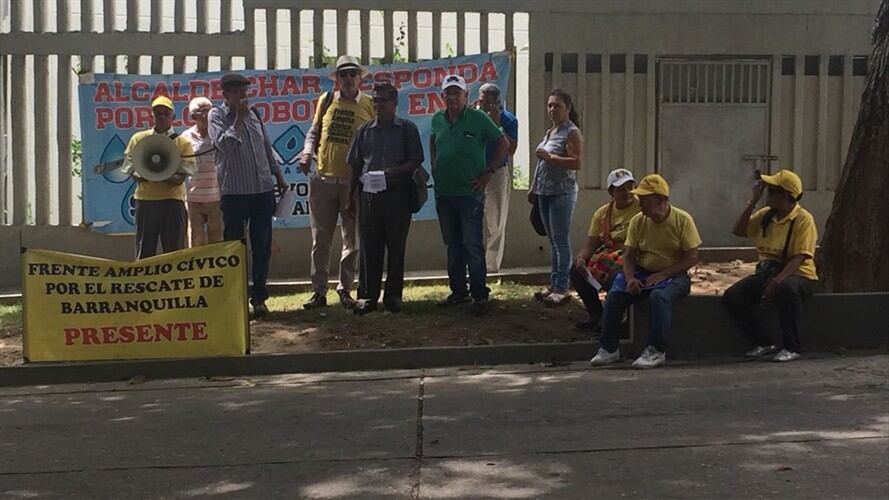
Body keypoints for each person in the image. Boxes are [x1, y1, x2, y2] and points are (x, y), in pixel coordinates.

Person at [589, 174, 701, 369]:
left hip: (674, 274)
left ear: (661, 201)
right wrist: (630, 278)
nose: (640, 204)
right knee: (615, 296)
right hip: (643, 271)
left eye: (645, 200)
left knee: (659, 297)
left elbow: (691, 257)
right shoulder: (638, 221)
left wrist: (664, 274)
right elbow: (630, 256)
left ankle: (656, 350)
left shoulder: (682, 220)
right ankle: (609, 348)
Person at [208, 73, 289, 317]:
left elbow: (265, 147)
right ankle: (234, 297)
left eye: (246, 91)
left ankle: (259, 298)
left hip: (262, 189)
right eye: (238, 92)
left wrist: (279, 176)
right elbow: (225, 145)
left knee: (262, 245)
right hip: (235, 191)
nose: (244, 96)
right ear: (226, 94)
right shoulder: (217, 116)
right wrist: (238, 121)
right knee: (234, 245)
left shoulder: (255, 115)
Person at [298, 55, 375, 310]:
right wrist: (307, 151)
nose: (349, 78)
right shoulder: (326, 100)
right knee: (320, 239)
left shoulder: (369, 104)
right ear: (338, 79)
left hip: (353, 183)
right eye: (344, 74)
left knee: (351, 240)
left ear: (360, 77)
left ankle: (345, 289)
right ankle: (318, 291)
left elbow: (375, 140)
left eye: (353, 73)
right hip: (323, 179)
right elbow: (314, 131)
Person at [430, 74, 509, 314]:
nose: (452, 97)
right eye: (448, 93)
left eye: (457, 93)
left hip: (470, 193)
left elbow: (503, 143)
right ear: (442, 96)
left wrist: (489, 172)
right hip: (445, 192)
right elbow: (434, 142)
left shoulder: (478, 118)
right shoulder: (437, 119)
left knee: (472, 244)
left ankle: (479, 294)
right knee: (453, 244)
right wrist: (435, 166)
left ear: (466, 96)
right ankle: (458, 292)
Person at [723, 170, 818, 362]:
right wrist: (752, 201)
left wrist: (776, 282)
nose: (768, 195)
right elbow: (739, 230)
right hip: (768, 272)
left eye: (772, 191)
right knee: (733, 296)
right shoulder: (767, 215)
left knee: (787, 290)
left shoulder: (802, 219)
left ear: (785, 195)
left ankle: (792, 346)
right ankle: (764, 342)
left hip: (798, 274)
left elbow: (799, 257)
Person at [346, 84, 425, 315]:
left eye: (383, 101)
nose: (379, 106)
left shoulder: (406, 129)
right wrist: (351, 197)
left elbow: (415, 160)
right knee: (370, 247)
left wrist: (393, 172)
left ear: (394, 103)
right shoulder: (364, 131)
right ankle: (368, 296)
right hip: (369, 197)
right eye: (376, 101)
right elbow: (355, 165)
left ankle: (393, 297)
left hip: (397, 195)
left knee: (396, 247)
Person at [122, 95, 194, 260]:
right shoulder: (138, 139)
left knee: (174, 250)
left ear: (173, 117)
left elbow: (180, 178)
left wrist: (153, 174)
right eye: (157, 113)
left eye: (165, 113)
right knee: (145, 250)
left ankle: (176, 283)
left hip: (172, 201)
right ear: (151, 116)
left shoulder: (182, 143)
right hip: (145, 201)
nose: (161, 116)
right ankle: (144, 283)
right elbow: (130, 169)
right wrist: (161, 174)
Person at [529, 89, 583, 306]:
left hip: (562, 191)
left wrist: (550, 156)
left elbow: (576, 162)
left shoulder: (571, 132)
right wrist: (534, 186)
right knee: (552, 240)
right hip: (544, 191)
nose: (552, 109)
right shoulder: (552, 131)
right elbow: (542, 163)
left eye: (557, 105)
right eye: (550, 105)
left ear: (567, 108)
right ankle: (554, 283)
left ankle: (562, 286)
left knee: (561, 240)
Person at [570, 168, 640, 331]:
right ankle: (597, 315)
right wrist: (581, 258)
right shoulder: (602, 213)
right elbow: (591, 242)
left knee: (618, 274)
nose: (627, 192)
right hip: (609, 253)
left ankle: (616, 320)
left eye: (630, 187)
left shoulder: (642, 206)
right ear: (611, 192)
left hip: (633, 252)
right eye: (621, 189)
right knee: (576, 271)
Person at [476, 83, 519, 273]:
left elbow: (511, 149)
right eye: (481, 101)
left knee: (495, 221)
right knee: (474, 219)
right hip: (475, 172)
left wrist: (497, 125)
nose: (483, 105)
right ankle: (475, 263)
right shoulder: (474, 117)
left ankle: (491, 266)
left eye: (487, 103)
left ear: (496, 103)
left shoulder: (508, 119)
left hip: (496, 173)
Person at [181, 97, 223, 247]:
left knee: (217, 240)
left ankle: (216, 270)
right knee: (196, 239)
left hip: (216, 196)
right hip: (194, 197)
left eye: (211, 110)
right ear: (194, 117)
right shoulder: (185, 137)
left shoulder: (219, 134)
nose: (209, 115)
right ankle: (199, 271)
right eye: (204, 112)